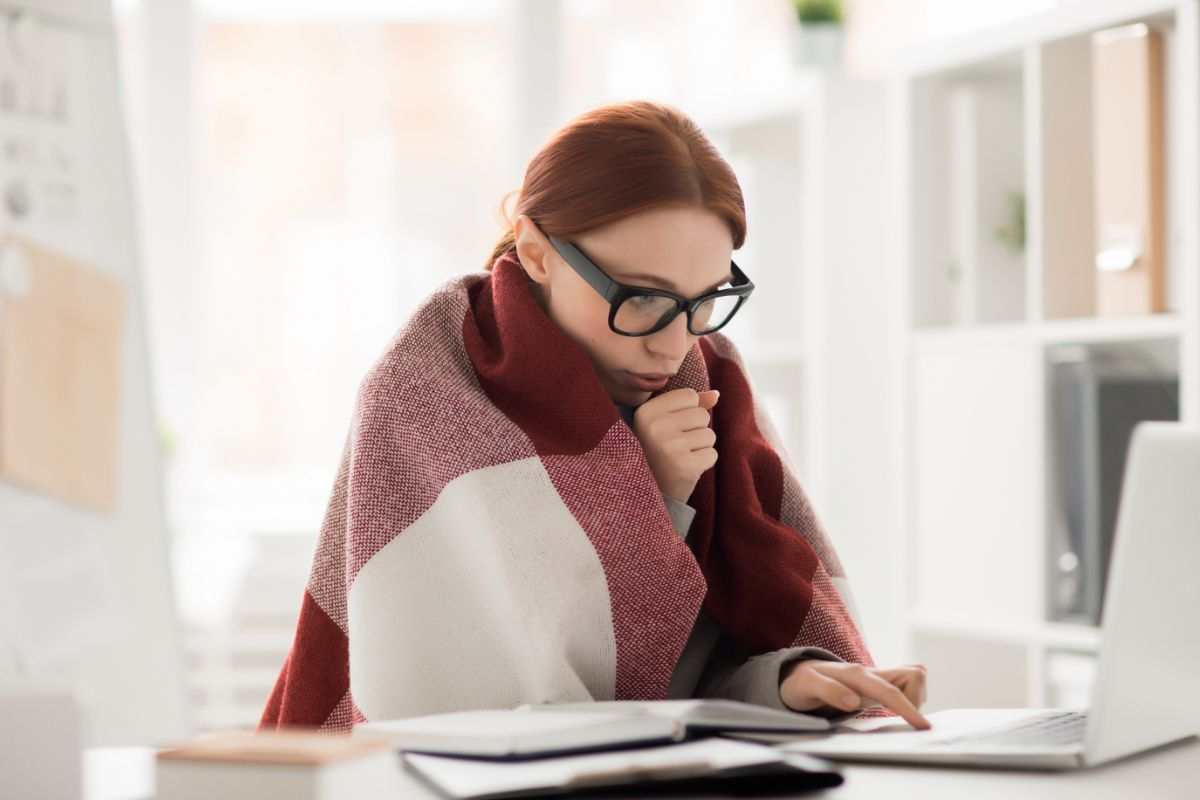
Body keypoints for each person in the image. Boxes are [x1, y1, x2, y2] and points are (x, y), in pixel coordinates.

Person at [260, 100, 928, 733]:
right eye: (642, 298)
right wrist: (652, 493)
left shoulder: (712, 379)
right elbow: (509, 699)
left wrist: (789, 682)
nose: (673, 344)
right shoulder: (426, 393)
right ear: (536, 252)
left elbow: (680, 685)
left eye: (704, 301)